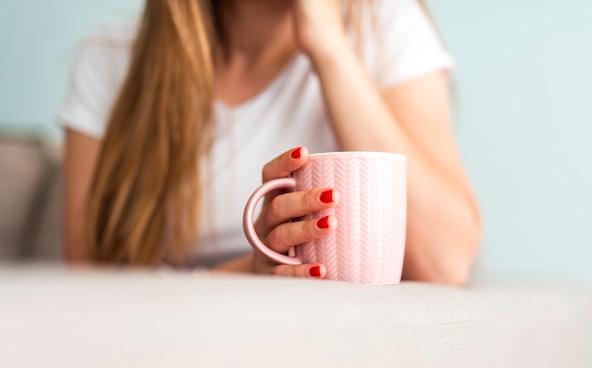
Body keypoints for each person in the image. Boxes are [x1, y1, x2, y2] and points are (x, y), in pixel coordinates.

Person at [58, 0, 481, 285]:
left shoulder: (383, 24)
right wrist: (253, 268)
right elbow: (93, 287)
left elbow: (445, 262)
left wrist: (328, 45)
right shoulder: (110, 61)